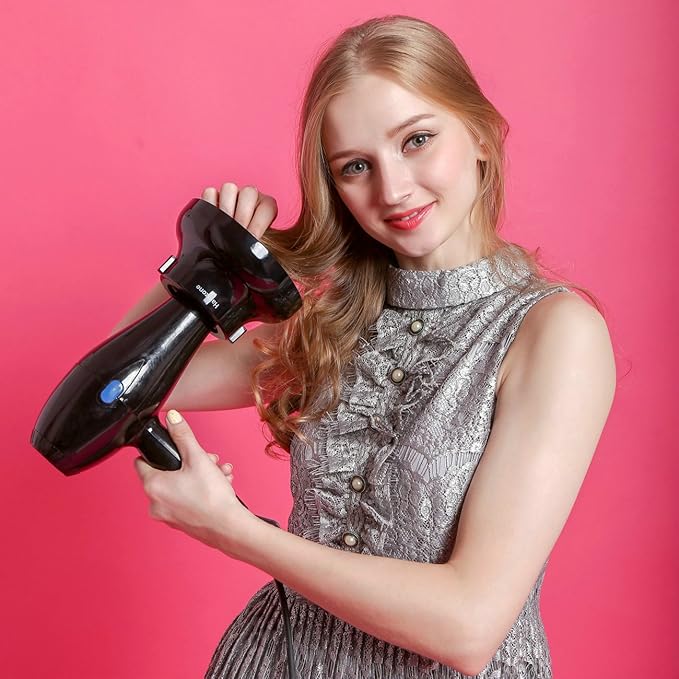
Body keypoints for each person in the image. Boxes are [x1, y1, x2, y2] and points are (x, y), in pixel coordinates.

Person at [117, 15, 616, 679]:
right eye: (356, 166)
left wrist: (237, 531)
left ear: (479, 133)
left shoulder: (552, 333)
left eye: (417, 140)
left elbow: (469, 625)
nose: (393, 189)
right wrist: (199, 266)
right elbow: (125, 381)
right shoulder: (330, 323)